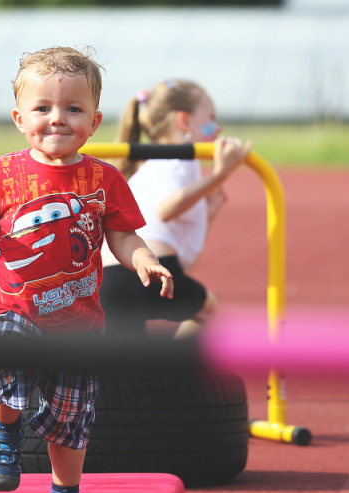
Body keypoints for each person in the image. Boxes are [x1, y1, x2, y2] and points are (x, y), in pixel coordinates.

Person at [0, 47, 173, 493]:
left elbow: (123, 235)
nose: (57, 118)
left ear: (94, 121)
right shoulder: (5, 172)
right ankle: (4, 432)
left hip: (78, 321)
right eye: (42, 107)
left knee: (71, 419)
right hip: (12, 305)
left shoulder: (105, 178)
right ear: (19, 118)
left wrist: (145, 258)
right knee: (8, 354)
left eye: (73, 108)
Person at [99, 80, 251, 338]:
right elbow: (165, 210)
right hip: (146, 269)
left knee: (127, 358)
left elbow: (177, 243)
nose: (219, 127)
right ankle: (174, 363)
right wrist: (219, 175)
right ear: (184, 121)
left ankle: (163, 363)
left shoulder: (147, 168)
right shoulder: (180, 158)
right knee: (209, 310)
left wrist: (209, 211)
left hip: (108, 278)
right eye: (211, 117)